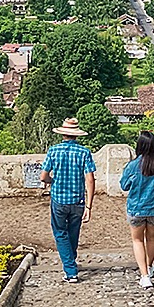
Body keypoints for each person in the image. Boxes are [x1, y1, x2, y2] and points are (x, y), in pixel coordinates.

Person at [40, 118, 96, 283]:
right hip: (77, 200)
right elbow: (90, 180)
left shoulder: (53, 151)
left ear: (62, 134)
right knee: (73, 233)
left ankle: (70, 270)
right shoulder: (84, 152)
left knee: (60, 233)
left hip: (58, 199)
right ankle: (71, 261)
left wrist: (53, 181)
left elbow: (43, 176)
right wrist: (89, 205)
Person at [120, 130, 154, 289]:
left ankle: (144, 276)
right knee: (152, 239)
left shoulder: (132, 166)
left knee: (137, 240)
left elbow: (124, 186)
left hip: (136, 209)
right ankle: (149, 268)